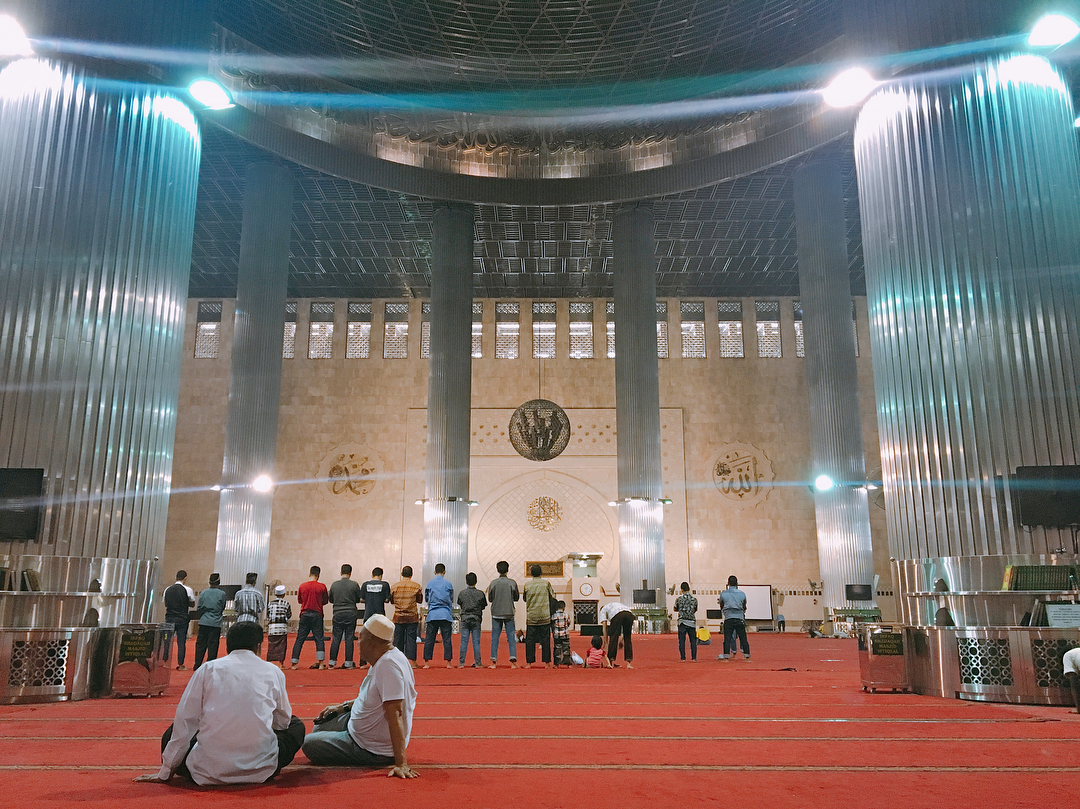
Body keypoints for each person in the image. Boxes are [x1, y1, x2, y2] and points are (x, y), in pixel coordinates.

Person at [134, 622, 305, 785]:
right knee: (296, 724)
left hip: (205, 771)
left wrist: (166, 772)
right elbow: (282, 721)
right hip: (262, 769)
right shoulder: (273, 671)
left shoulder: (208, 669)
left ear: (228, 646)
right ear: (258, 646)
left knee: (173, 731)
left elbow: (185, 722)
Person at [302, 614, 419, 779]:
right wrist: (341, 707)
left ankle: (370, 756)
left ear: (371, 642)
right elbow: (374, 698)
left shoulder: (388, 666)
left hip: (370, 746)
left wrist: (401, 763)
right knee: (320, 727)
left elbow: (396, 713)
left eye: (359, 639)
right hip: (360, 726)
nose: (357, 644)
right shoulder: (387, 657)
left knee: (308, 744)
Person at [291, 566, 329, 670]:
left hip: (304, 614)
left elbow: (300, 600)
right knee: (319, 638)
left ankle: (294, 662)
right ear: (318, 575)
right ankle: (321, 663)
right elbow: (325, 601)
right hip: (317, 614)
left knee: (300, 638)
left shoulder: (302, 586)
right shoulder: (322, 587)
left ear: (309, 574)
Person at [328, 564, 363, 669]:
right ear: (350, 573)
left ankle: (332, 662)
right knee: (349, 638)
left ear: (340, 572)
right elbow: (358, 599)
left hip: (338, 613)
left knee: (336, 638)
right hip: (351, 613)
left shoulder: (334, 585)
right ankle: (348, 662)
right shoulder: (354, 585)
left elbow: (331, 599)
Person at [487, 560, 519, 669]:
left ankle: (493, 661)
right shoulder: (512, 583)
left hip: (496, 613)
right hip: (509, 612)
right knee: (511, 637)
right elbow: (516, 598)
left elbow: (490, 599)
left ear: (497, 570)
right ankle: (513, 661)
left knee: (495, 637)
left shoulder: (493, 583)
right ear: (507, 570)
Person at [390, 566, 423, 666]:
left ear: (401, 574)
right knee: (411, 639)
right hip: (411, 617)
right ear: (411, 574)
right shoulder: (416, 586)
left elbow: (391, 601)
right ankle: (412, 662)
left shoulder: (394, 587)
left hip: (398, 616)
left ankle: (397, 661)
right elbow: (419, 600)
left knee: (397, 639)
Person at [522, 564, 555, 668]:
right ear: (541, 573)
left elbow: (524, 598)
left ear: (531, 574)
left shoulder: (527, 585)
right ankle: (547, 663)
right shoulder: (546, 584)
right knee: (545, 640)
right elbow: (552, 596)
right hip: (544, 616)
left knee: (530, 640)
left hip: (532, 617)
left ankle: (529, 663)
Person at [422, 563, 454, 669]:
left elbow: (426, 598)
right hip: (445, 614)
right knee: (447, 639)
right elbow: (451, 598)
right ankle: (448, 663)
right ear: (444, 572)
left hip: (432, 615)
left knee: (429, 639)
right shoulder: (448, 584)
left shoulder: (430, 584)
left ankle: (427, 663)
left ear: (434, 572)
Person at [194, 573, 228, 670]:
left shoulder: (203, 593)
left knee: (201, 644)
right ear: (219, 582)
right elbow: (222, 607)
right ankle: (210, 665)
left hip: (204, 621)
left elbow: (199, 607)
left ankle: (197, 664)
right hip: (216, 622)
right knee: (213, 645)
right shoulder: (222, 594)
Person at [163, 570, 194, 671]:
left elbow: (166, 604)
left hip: (170, 618)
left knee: (167, 641)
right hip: (182, 619)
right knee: (181, 642)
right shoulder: (187, 589)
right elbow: (192, 603)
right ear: (185, 578)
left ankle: (165, 663)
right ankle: (180, 664)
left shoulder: (167, 589)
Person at [456, 572, 487, 668]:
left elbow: (460, 603)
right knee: (476, 642)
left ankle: (461, 663)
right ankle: (478, 662)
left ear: (466, 582)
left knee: (464, 641)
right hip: (476, 618)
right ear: (476, 581)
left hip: (465, 618)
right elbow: (483, 606)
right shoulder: (480, 594)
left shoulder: (462, 593)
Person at [718, 575, 750, 661]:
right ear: (737, 583)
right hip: (739, 618)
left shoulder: (723, 594)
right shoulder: (742, 594)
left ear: (728, 583)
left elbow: (721, 605)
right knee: (743, 638)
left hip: (728, 618)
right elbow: (744, 606)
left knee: (727, 638)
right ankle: (746, 655)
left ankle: (726, 656)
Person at [599, 600, 635, 669]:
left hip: (617, 615)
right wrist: (622, 639)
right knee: (628, 638)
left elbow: (604, 627)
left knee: (613, 637)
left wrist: (605, 641)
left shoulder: (603, 610)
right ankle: (629, 663)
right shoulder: (613, 605)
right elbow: (624, 629)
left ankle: (611, 662)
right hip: (629, 614)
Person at [266, 584, 292, 668]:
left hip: (272, 628)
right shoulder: (286, 603)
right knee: (282, 646)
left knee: (271, 646)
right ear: (284, 594)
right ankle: (281, 664)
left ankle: (269, 662)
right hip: (282, 628)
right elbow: (288, 615)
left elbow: (268, 614)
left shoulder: (270, 604)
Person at [674, 582, 698, 662]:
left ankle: (683, 658)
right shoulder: (694, 600)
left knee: (681, 641)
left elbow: (675, 608)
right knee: (693, 641)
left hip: (682, 622)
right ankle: (694, 658)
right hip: (691, 622)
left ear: (681, 590)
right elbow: (695, 609)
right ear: (689, 589)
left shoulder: (679, 599)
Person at [552, 600, 572, 667]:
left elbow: (552, 624)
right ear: (564, 608)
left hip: (557, 635)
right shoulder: (566, 615)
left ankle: (557, 664)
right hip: (565, 635)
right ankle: (568, 664)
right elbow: (568, 623)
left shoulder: (554, 616)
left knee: (557, 649)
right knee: (566, 649)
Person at [1064, 647, 1080, 714]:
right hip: (1070, 658)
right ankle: (1079, 708)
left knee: (1074, 685)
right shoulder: (1070, 655)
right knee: (1074, 684)